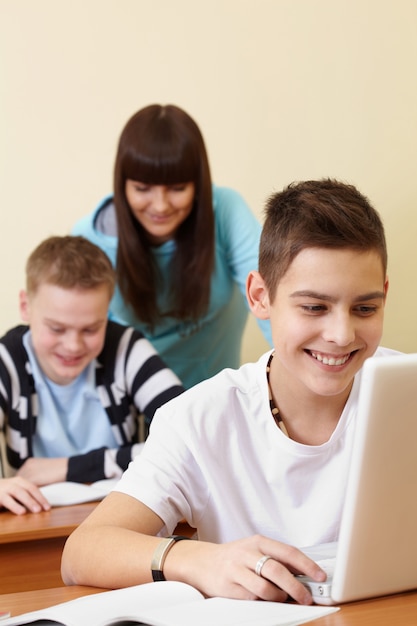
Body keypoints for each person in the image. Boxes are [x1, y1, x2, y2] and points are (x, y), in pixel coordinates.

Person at [62, 179, 399, 605]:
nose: (341, 333)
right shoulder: (200, 417)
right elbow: (81, 553)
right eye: (314, 307)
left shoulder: (404, 391)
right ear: (260, 297)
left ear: (384, 295)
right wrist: (200, 560)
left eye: (365, 308)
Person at [72, 104, 272, 388]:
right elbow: (79, 340)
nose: (160, 205)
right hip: (132, 408)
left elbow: (273, 300)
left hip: (214, 402)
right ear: (122, 185)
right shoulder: (92, 238)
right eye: (142, 189)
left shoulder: (226, 211)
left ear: (198, 184)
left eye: (177, 188)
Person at [0, 236, 184, 515]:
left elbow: (190, 439)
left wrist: (68, 468)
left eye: (90, 329)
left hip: (121, 516)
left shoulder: (126, 348)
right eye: (57, 328)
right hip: (33, 521)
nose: (73, 346)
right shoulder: (6, 360)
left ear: (107, 314)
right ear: (26, 306)